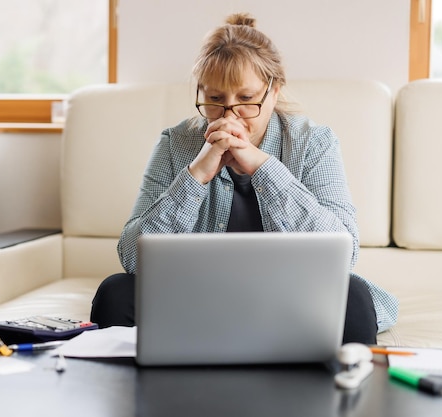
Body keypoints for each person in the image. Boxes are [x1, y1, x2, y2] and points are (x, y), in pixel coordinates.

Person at [90, 12, 398, 344]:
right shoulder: (174, 142)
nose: (229, 115)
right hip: (195, 298)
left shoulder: (314, 143)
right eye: (215, 99)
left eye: (246, 99)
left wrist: (263, 168)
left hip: (289, 301)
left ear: (274, 91)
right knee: (114, 293)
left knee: (353, 297)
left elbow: (344, 253)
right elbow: (132, 257)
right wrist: (196, 175)